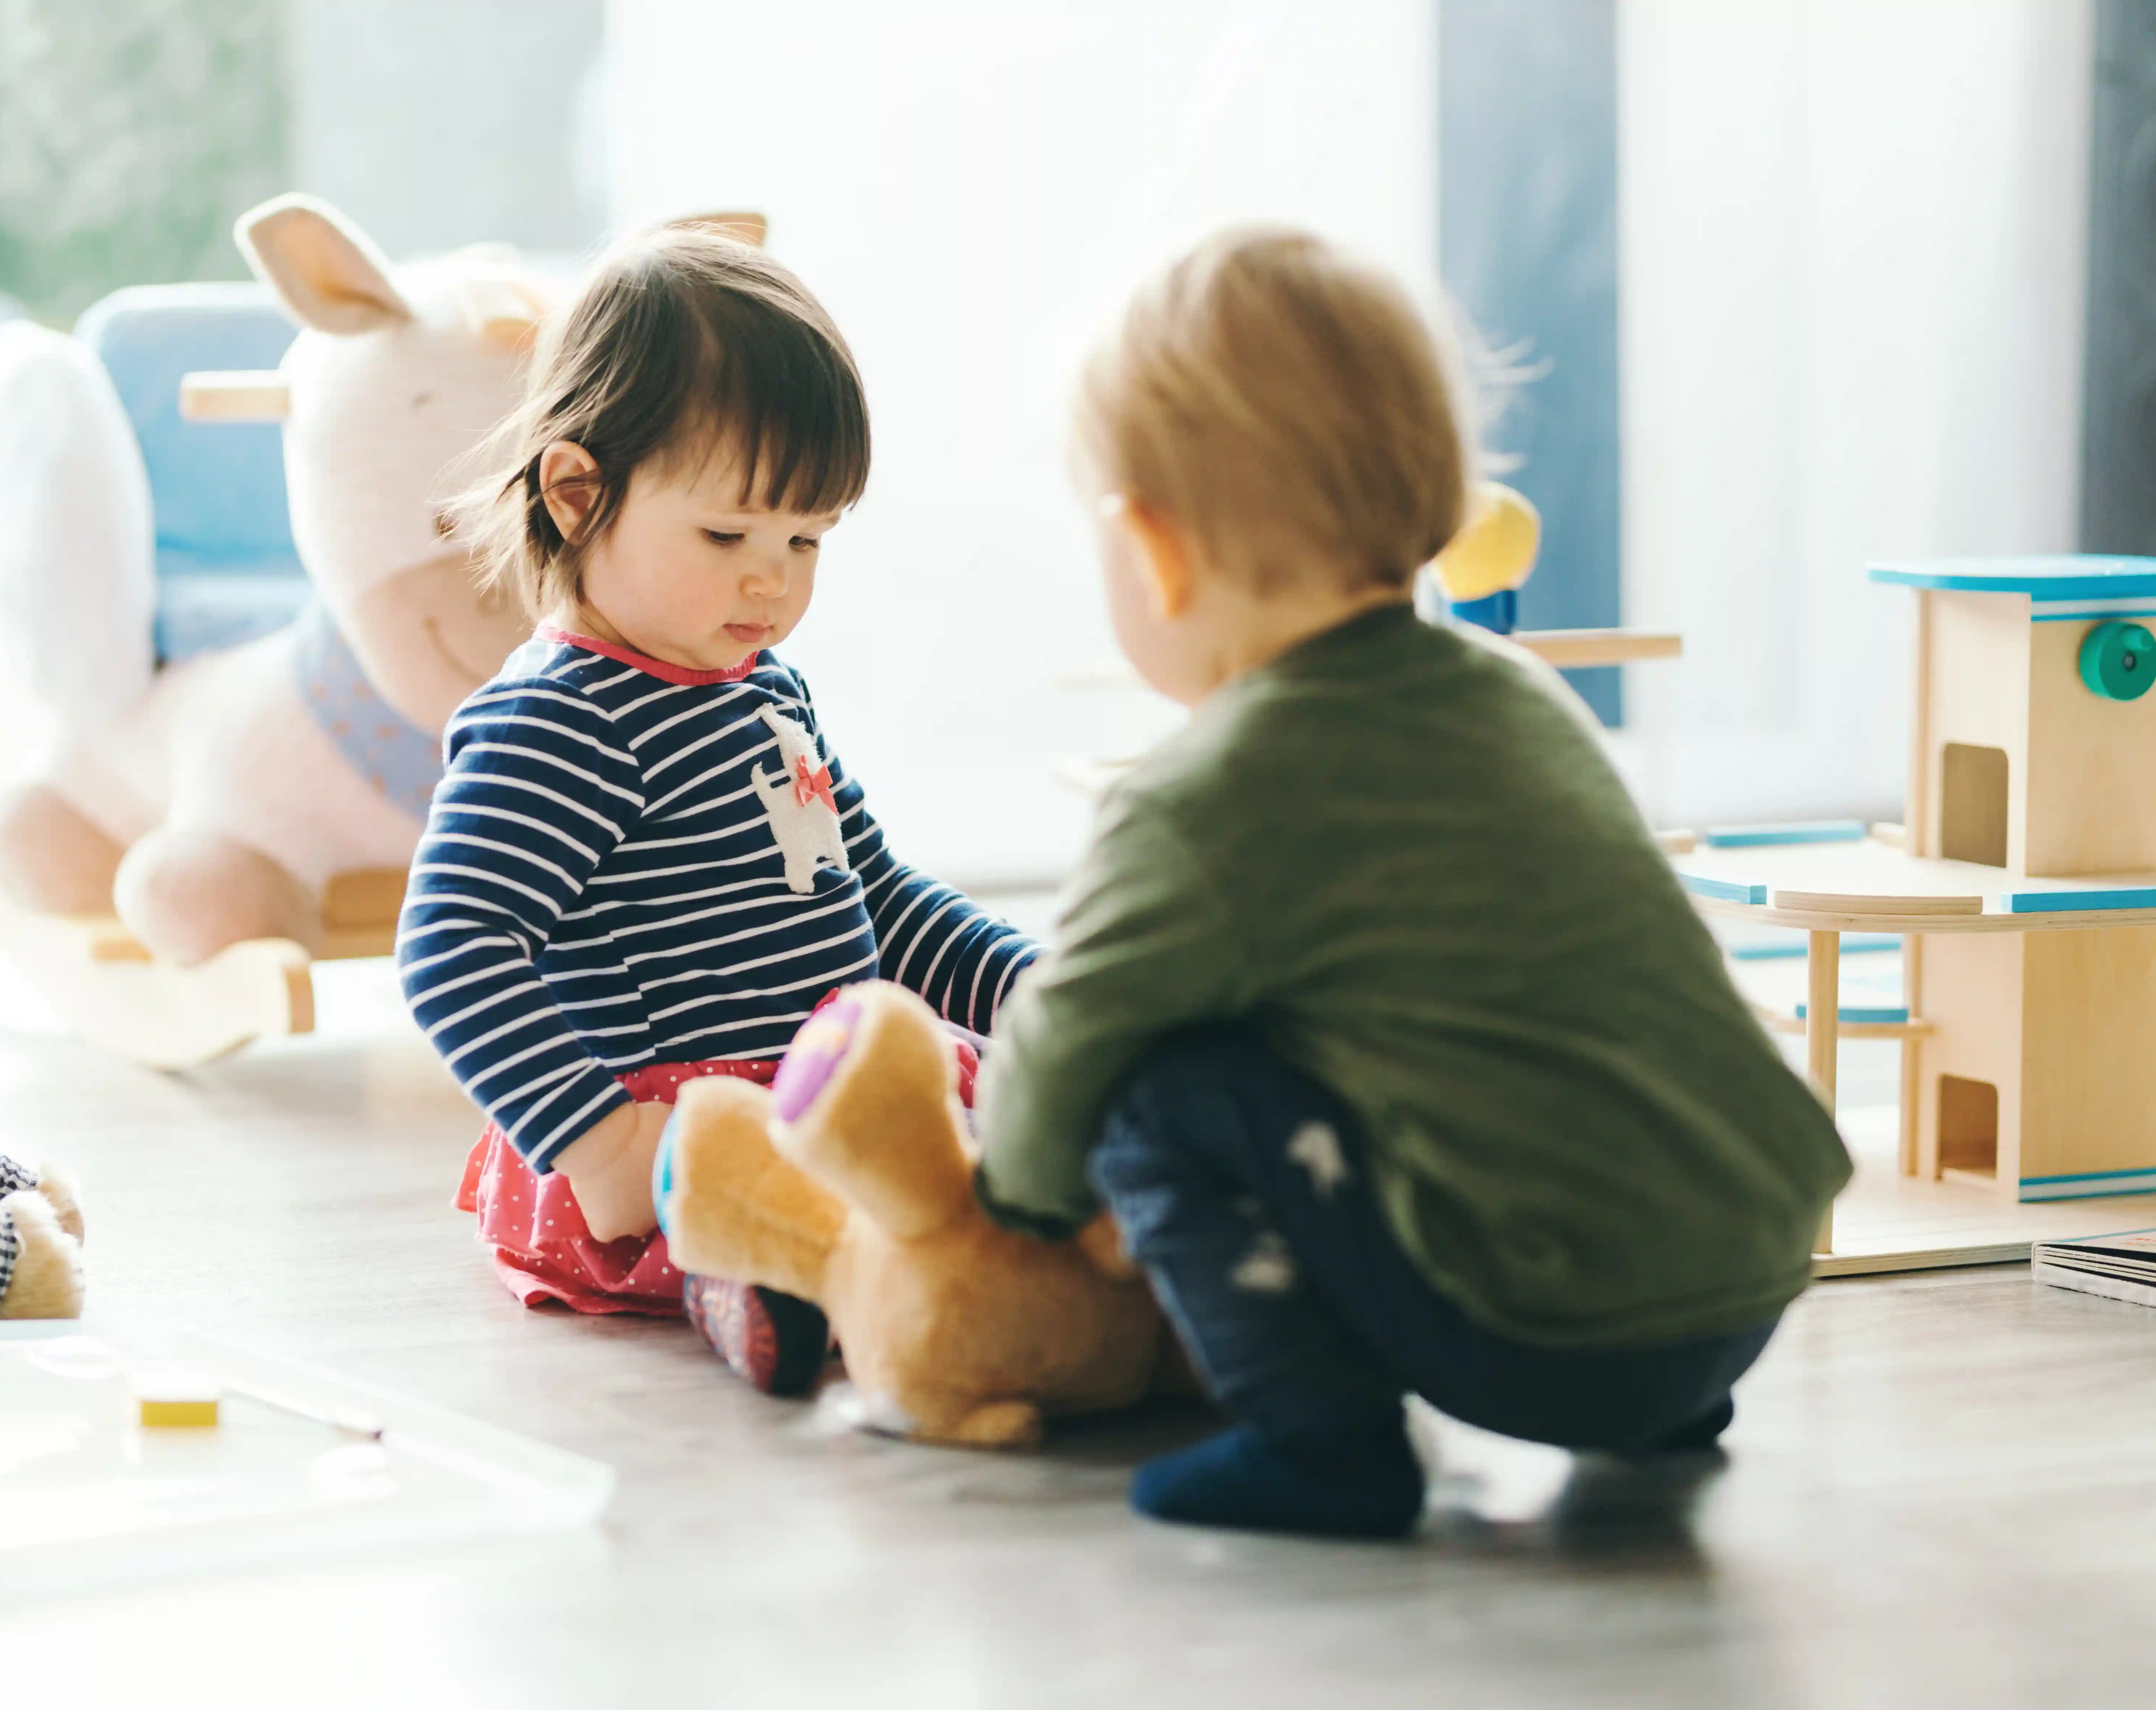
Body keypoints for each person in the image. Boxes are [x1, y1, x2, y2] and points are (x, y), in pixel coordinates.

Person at [974, 229, 1851, 1539]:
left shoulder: (1205, 796)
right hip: (1741, 1289)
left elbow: (1064, 1039)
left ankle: (1322, 1448)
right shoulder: (1522, 699)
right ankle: (1655, 1415)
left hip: (1545, 1332)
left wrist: (1015, 1201)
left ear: (1152, 549)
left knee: (1156, 1087)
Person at [399, 226, 1036, 1394]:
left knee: (1013, 1132)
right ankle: (747, 1278)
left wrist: (1027, 988)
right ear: (578, 492)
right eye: (728, 535)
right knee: (860, 1211)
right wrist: (602, 1144)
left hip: (822, 1083)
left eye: (806, 539)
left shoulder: (764, 688)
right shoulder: (562, 719)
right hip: (676, 1141)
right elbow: (451, 950)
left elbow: (876, 897)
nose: (774, 581)